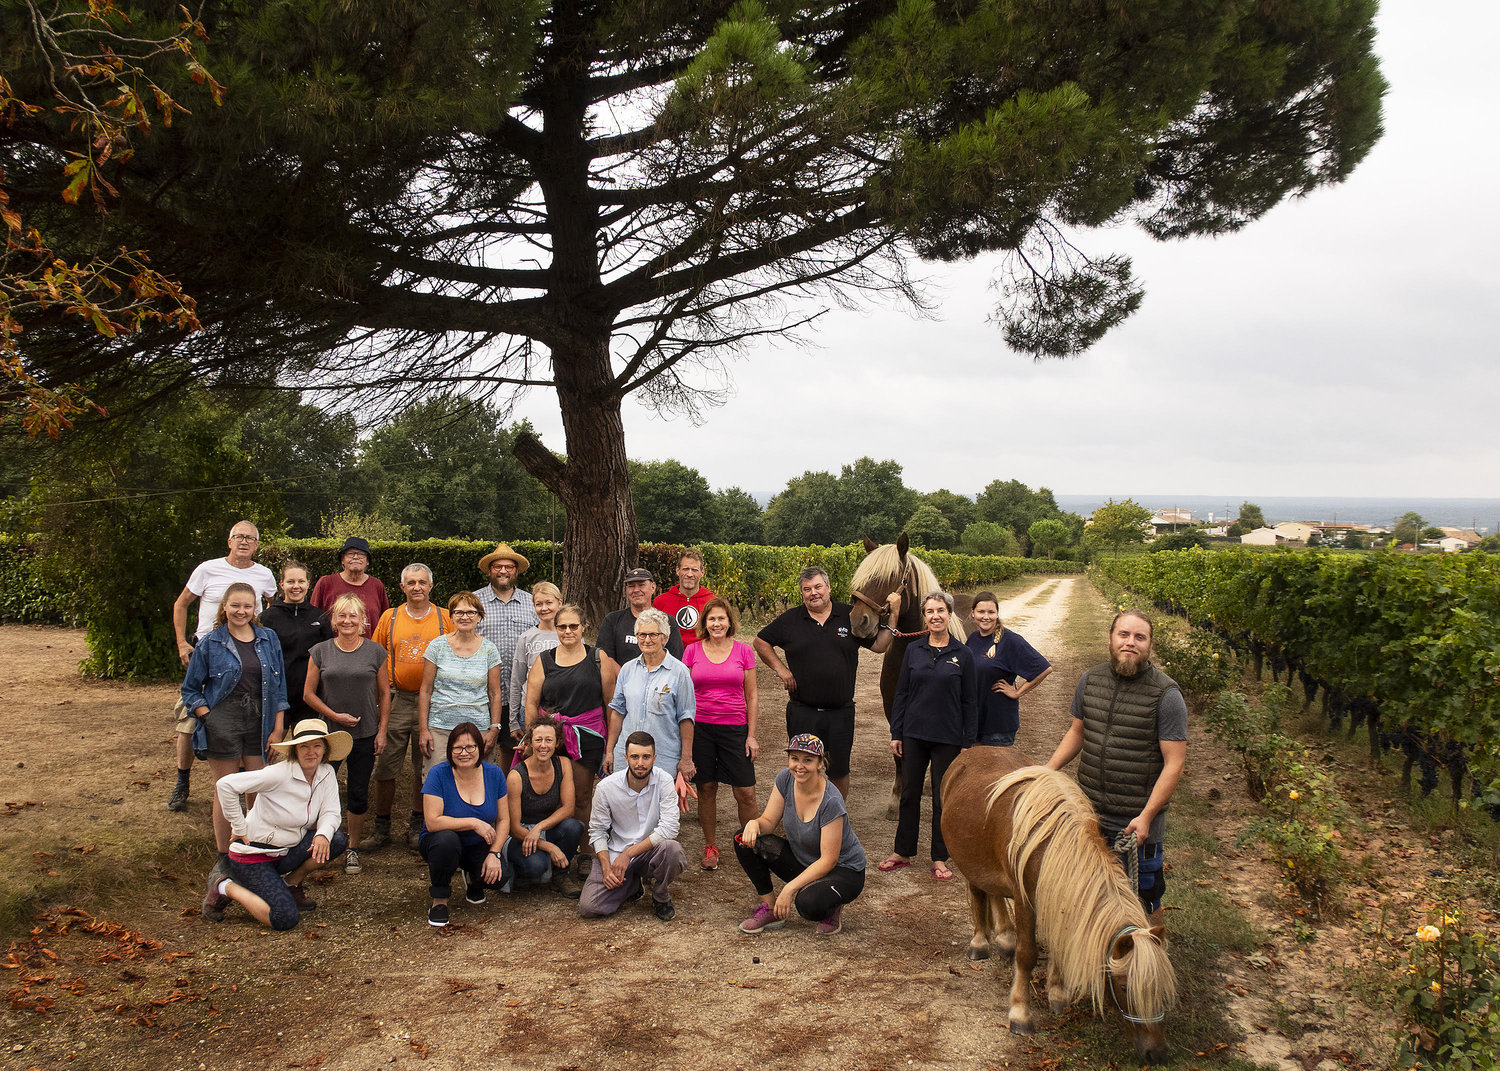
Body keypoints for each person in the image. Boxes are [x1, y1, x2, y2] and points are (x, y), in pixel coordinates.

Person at [1045, 610, 1187, 920]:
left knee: (1143, 899)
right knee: (1091, 893)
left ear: (1149, 645)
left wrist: (1147, 816)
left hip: (1136, 823)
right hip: (1089, 814)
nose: (1130, 643)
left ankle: (1150, 961)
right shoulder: (1090, 680)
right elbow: (1077, 732)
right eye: (1124, 635)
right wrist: (1047, 771)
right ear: (1111, 638)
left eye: (1140, 637)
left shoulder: (1166, 694)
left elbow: (1174, 764)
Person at [753, 566, 899, 800]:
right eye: (807, 589)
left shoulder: (848, 615)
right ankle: (804, 816)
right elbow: (760, 641)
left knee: (839, 770)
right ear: (802, 593)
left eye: (818, 587)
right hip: (803, 712)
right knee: (803, 769)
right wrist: (781, 670)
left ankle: (835, 816)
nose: (813, 593)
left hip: (840, 713)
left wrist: (894, 615)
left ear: (828, 588)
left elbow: (879, 645)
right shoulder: (791, 620)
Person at [168, 520, 277, 812]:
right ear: (229, 541)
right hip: (209, 654)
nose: (244, 542)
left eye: (250, 538)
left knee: (246, 720)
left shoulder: (264, 575)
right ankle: (182, 780)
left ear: (256, 545)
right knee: (191, 720)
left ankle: (239, 782)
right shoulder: (207, 569)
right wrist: (182, 642)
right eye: (239, 537)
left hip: (248, 653)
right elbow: (182, 604)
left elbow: (273, 608)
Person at [201, 719, 352, 930]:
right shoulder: (279, 773)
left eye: (317, 745)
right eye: (304, 746)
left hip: (286, 851)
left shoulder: (326, 773)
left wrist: (321, 835)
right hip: (253, 856)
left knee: (335, 839)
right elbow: (225, 785)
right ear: (295, 751)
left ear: (325, 750)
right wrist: (239, 826)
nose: (311, 752)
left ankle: (290, 884)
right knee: (285, 918)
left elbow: (331, 812)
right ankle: (225, 886)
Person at [181, 581, 291, 861]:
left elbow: (279, 688)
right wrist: (209, 718)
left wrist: (278, 729)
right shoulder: (210, 643)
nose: (241, 611)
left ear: (255, 608)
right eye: (235, 605)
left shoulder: (269, 638)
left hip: (261, 719)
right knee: (225, 790)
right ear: (224, 607)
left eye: (247, 606)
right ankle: (224, 856)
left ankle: (253, 848)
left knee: (257, 787)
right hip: (223, 720)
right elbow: (190, 690)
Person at [881, 590, 978, 881]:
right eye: (930, 611)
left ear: (949, 615)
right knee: (909, 793)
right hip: (914, 734)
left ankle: (939, 857)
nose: (935, 616)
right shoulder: (914, 650)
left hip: (947, 737)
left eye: (940, 611)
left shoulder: (963, 654)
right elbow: (902, 694)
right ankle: (902, 851)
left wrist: (967, 742)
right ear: (925, 617)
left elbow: (970, 702)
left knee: (941, 798)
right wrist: (896, 732)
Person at [736, 734, 866, 936]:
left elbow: (829, 861)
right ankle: (770, 910)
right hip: (806, 861)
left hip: (843, 870)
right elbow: (769, 822)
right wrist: (754, 823)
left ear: (821, 763)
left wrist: (789, 889)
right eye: (795, 758)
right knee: (743, 839)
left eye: (808, 760)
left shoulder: (831, 801)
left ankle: (832, 905)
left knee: (807, 904)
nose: (800, 766)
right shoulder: (785, 779)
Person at [303, 594, 390, 876]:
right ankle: (317, 842)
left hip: (364, 734)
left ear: (363, 620)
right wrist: (333, 715)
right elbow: (307, 694)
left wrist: (382, 730)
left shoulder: (376, 652)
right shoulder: (320, 651)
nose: (348, 621)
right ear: (334, 620)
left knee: (357, 791)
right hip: (328, 736)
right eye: (342, 615)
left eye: (353, 616)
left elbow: (385, 694)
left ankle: (351, 847)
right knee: (318, 789)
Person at [369, 564, 454, 852]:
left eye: (422, 582)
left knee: (425, 765)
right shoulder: (389, 617)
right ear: (402, 587)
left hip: (433, 700)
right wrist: (380, 699)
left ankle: (418, 823)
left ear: (431, 586)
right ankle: (381, 826)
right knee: (386, 764)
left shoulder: (445, 618)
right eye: (411, 582)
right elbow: (376, 659)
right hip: (396, 699)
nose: (417, 587)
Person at [525, 604, 619, 836]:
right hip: (551, 738)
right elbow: (531, 702)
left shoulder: (598, 658)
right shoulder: (544, 660)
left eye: (573, 626)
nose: (568, 631)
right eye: (562, 626)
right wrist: (530, 739)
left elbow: (610, 705)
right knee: (551, 794)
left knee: (582, 796)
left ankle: (586, 851)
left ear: (583, 627)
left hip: (587, 737)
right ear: (555, 628)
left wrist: (610, 747)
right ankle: (555, 846)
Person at [682, 598, 757, 871]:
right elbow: (684, 695)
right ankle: (710, 845)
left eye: (721, 619)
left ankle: (751, 844)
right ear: (705, 623)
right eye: (711, 619)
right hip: (700, 728)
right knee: (707, 788)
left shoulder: (743, 651)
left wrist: (751, 735)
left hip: (735, 729)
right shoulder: (691, 651)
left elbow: (752, 695)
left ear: (729, 622)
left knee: (746, 792)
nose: (716, 624)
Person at [579, 732, 685, 921]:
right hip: (615, 852)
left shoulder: (665, 780)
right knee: (589, 907)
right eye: (634, 757)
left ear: (654, 758)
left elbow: (669, 828)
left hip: (649, 850)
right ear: (626, 757)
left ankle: (660, 896)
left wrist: (628, 855)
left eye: (646, 757)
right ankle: (633, 884)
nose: (640, 763)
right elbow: (597, 831)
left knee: (673, 850)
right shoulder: (606, 787)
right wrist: (605, 867)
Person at [418, 721, 512, 927]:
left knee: (499, 877)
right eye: (458, 747)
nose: (464, 753)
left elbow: (504, 819)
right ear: (450, 749)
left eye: (470, 747)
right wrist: (473, 822)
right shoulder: (438, 774)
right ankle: (439, 900)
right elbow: (433, 822)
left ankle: (472, 878)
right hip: (440, 842)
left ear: (480, 747)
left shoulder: (494, 774)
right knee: (447, 841)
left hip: (477, 843)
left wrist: (495, 853)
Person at [606, 608, 696, 783]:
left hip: (664, 756)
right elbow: (618, 712)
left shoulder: (679, 672)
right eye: (641, 635)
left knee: (659, 807)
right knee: (625, 806)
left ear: (665, 638)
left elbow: (686, 718)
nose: (647, 640)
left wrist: (686, 759)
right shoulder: (627, 669)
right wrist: (610, 751)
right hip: (626, 756)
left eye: (653, 635)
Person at [419, 591, 502, 775]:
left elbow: (495, 693)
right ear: (452, 616)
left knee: (476, 778)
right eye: (459, 612)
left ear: (480, 617)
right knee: (437, 778)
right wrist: (424, 729)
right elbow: (425, 690)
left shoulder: (489, 649)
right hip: (440, 727)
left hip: (478, 727)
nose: (465, 617)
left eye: (471, 612)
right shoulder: (436, 646)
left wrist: (494, 729)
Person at [472, 542, 538, 770]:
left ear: (516, 571)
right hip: (483, 690)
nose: (503, 571)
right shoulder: (474, 602)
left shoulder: (532, 603)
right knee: (480, 746)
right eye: (498, 566)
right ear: (489, 571)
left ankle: (511, 792)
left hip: (519, 691)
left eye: (508, 567)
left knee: (515, 747)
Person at [965, 591, 1052, 747]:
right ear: (973, 613)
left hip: (998, 726)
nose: (986, 616)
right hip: (975, 723)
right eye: (981, 612)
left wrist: (1017, 692)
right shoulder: (972, 639)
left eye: (991, 612)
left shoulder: (1010, 641)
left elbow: (1043, 668)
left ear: (997, 614)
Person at [505, 717, 584, 887]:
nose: (543, 745)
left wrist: (539, 828)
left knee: (574, 826)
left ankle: (560, 874)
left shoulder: (563, 764)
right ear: (530, 743)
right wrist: (550, 847)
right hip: (520, 834)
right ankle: (520, 869)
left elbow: (569, 808)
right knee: (536, 867)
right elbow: (514, 828)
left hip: (544, 828)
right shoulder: (516, 776)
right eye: (538, 740)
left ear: (557, 743)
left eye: (549, 740)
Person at [260, 561, 332, 729]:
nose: (296, 586)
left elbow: (327, 657)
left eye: (301, 581)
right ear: (282, 584)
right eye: (291, 582)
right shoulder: (267, 618)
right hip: (277, 697)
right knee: (271, 750)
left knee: (306, 751)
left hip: (310, 698)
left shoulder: (320, 617)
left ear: (308, 584)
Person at [507, 580, 562, 731]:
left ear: (559, 603)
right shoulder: (526, 638)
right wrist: (513, 721)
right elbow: (517, 680)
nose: (544, 608)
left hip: (562, 709)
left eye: (549, 602)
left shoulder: (568, 635)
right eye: (539, 604)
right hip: (531, 708)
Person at [597, 567, 684, 663]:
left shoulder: (667, 621)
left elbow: (676, 660)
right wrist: (626, 675)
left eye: (641, 585)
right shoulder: (612, 620)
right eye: (631, 586)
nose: (636, 590)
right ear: (626, 590)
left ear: (653, 587)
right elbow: (604, 658)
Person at [310, 536, 389, 638]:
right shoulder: (326, 583)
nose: (355, 557)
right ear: (342, 560)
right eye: (350, 554)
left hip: (369, 650)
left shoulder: (377, 585)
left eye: (361, 554)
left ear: (367, 561)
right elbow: (313, 619)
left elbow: (385, 623)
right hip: (332, 649)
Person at [652, 548, 715, 649]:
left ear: (702, 572)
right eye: (685, 569)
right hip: (669, 660)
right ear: (677, 571)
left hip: (702, 660)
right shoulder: (660, 602)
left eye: (694, 570)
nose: (689, 574)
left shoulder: (712, 602)